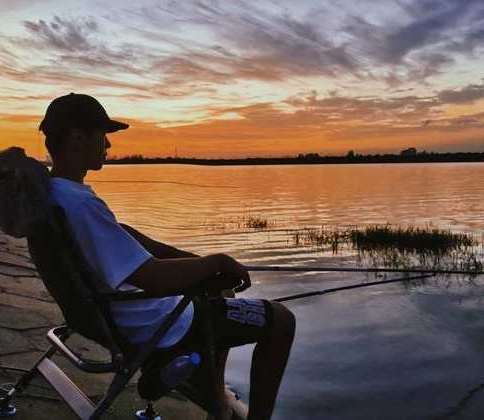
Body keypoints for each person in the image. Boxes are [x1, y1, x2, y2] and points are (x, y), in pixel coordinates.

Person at [39, 93, 295, 420]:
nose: (108, 145)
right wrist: (216, 262)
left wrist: (195, 263)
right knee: (282, 320)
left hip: (118, 315)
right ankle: (198, 382)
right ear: (77, 136)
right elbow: (151, 277)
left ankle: (213, 395)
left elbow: (125, 233)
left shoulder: (56, 194)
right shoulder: (81, 205)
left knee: (216, 292)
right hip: (152, 323)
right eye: (102, 135)